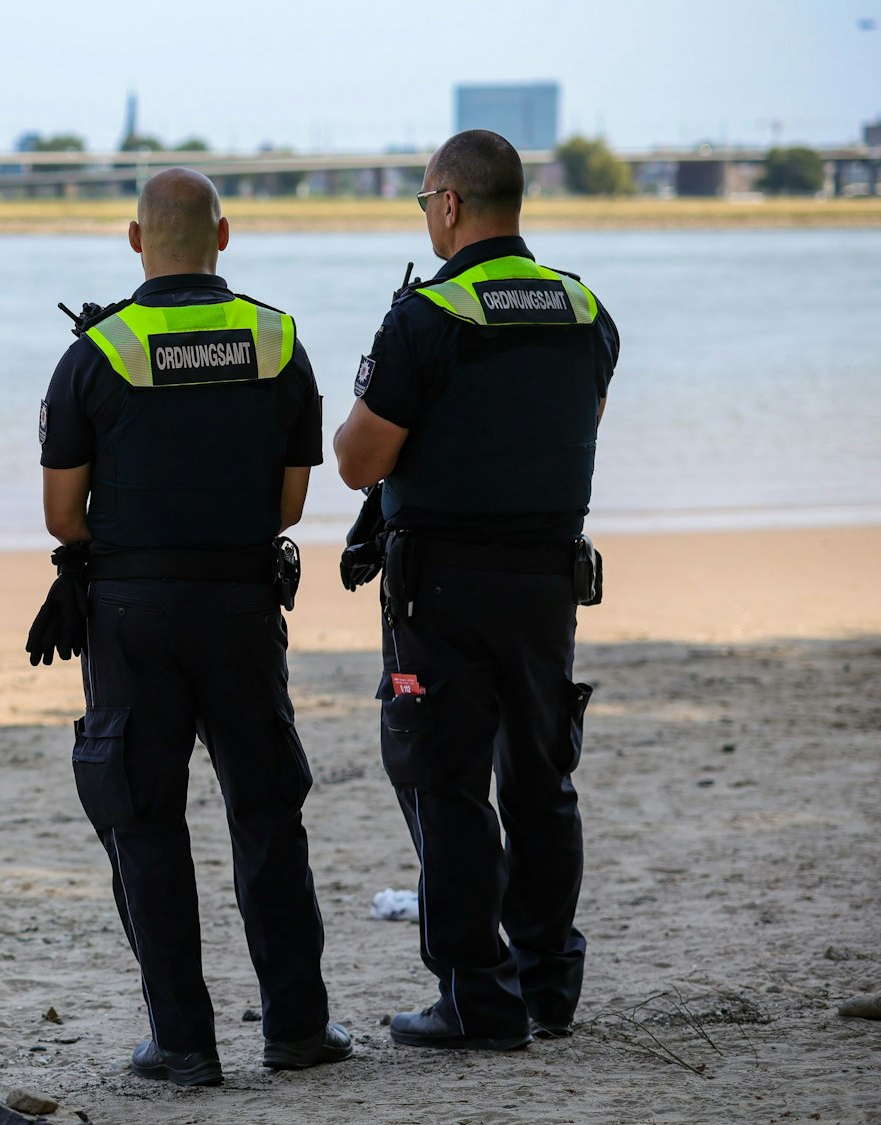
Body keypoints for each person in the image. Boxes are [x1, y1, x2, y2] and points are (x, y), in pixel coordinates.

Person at [34, 167, 352, 1086]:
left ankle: (183, 1042)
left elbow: (63, 517)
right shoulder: (278, 339)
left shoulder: (97, 351)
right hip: (244, 606)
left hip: (132, 615)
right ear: (225, 235)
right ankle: (296, 1027)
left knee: (145, 820)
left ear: (137, 241)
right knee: (267, 814)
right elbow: (290, 502)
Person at [333, 130, 620, 1051]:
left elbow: (357, 461)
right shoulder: (586, 310)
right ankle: (548, 983)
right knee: (543, 778)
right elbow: (580, 424)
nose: (428, 219)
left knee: (444, 780)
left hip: (443, 589)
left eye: (425, 204)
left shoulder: (428, 317)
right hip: (547, 582)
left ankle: (477, 998)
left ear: (449, 205)